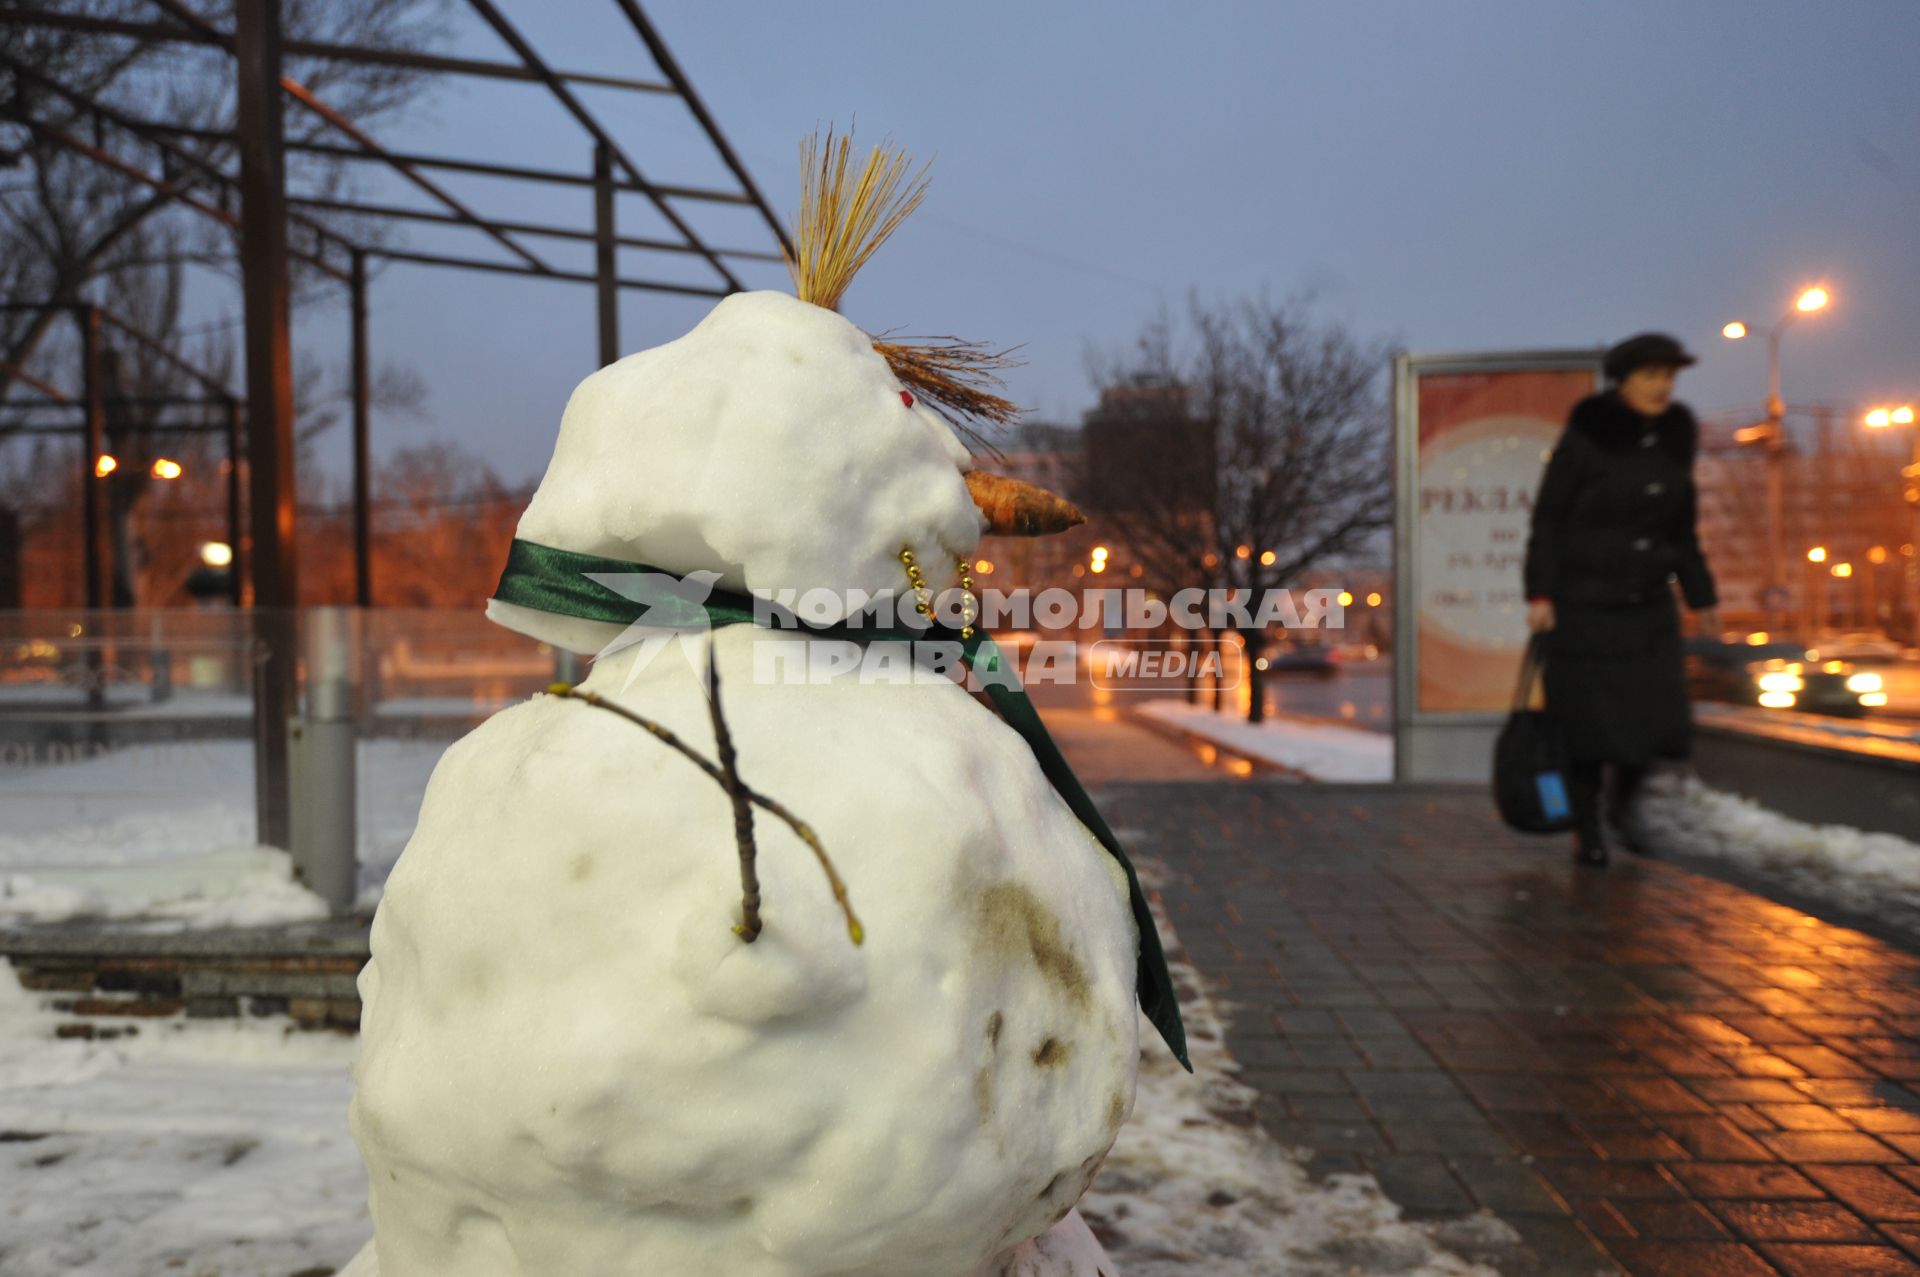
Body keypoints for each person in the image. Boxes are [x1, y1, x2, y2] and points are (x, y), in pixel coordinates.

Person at [1522, 333, 1721, 865]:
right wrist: (1540, 591)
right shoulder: (1589, 431)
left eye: (1669, 376)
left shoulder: (1678, 434)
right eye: (1651, 375)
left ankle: (1623, 807)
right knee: (1589, 728)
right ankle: (1587, 829)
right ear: (1624, 379)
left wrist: (1700, 595)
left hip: (1648, 603)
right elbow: (1549, 518)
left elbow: (1681, 526)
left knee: (1658, 722)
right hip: (1584, 602)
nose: (1662, 386)